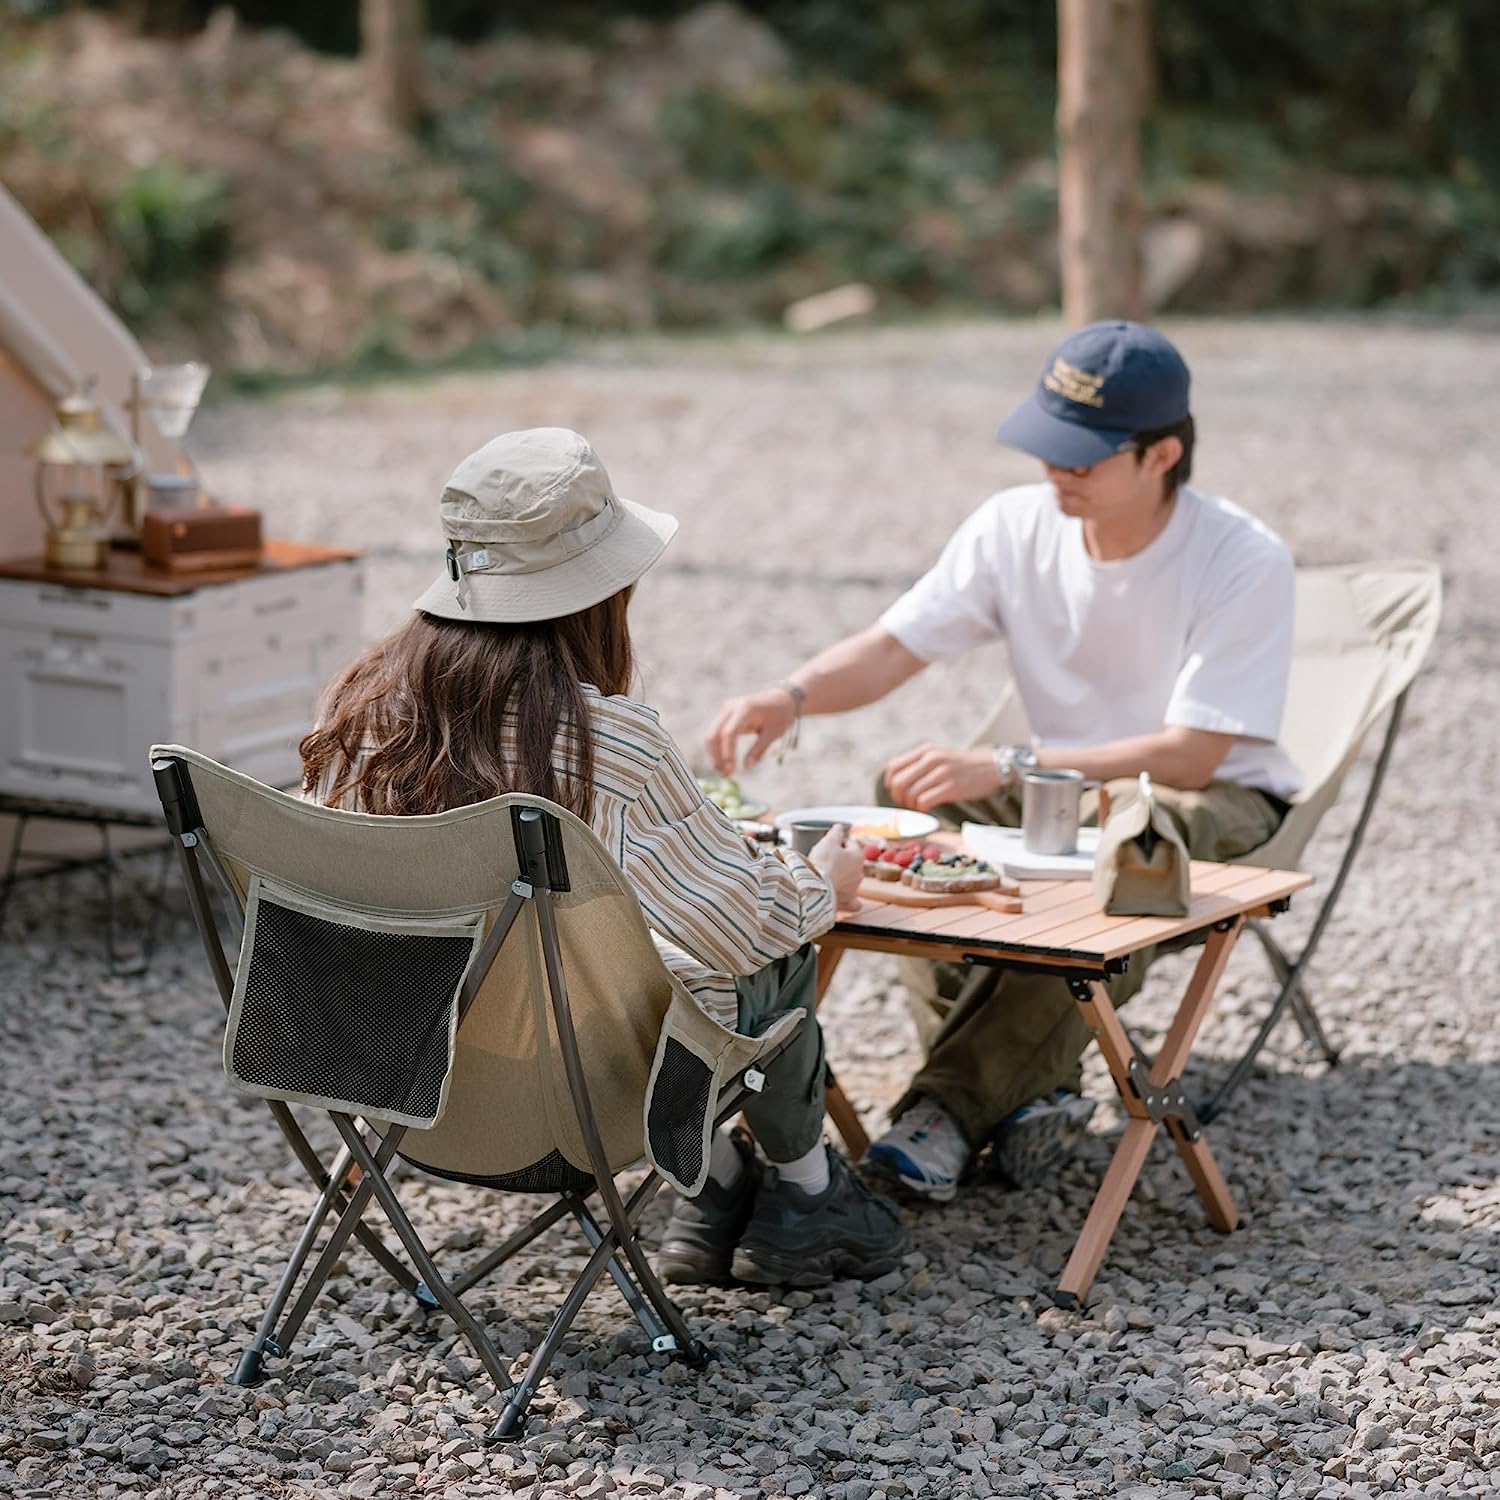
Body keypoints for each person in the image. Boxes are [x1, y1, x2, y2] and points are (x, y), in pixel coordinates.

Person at [706, 321, 1302, 1202]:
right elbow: (895, 645)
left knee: (1123, 860)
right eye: (1048, 448)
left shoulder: (1241, 556)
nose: (1056, 472)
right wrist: (790, 694)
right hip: (1063, 789)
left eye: (1083, 458)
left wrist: (1016, 764)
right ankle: (1028, 1092)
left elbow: (1196, 750)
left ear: (1161, 453)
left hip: (1206, 797)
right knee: (902, 802)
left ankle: (945, 1110)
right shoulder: (1014, 526)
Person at [300, 426, 905, 1284]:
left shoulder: (366, 721)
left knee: (601, 961)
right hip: (578, 1102)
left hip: (397, 1076)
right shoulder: (605, 743)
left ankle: (719, 1184)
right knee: (778, 948)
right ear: (598, 595)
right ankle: (809, 1196)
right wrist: (822, 885)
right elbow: (743, 925)